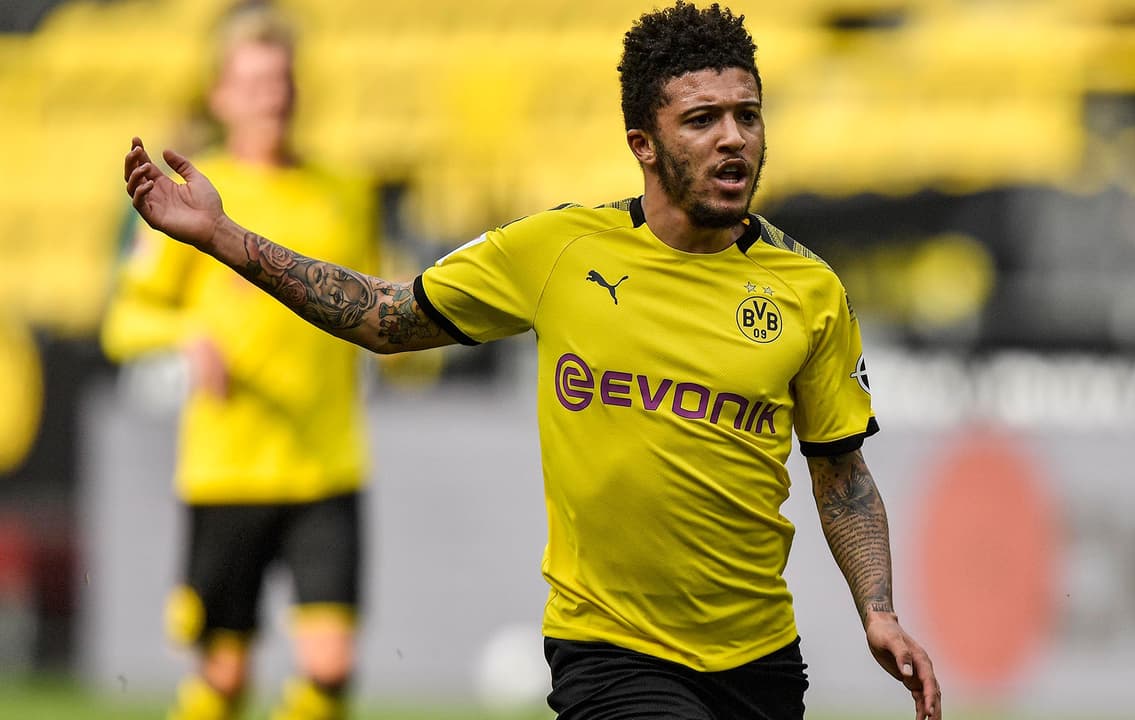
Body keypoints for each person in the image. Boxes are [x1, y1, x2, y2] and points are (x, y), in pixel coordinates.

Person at [122, 2, 941, 718]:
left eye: (747, 115)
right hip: (610, 651)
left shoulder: (809, 290)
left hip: (759, 660)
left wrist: (878, 611)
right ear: (643, 143)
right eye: (702, 120)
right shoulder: (557, 251)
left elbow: (842, 474)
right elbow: (384, 316)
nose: (733, 138)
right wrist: (224, 238)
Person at [102, 5, 378, 720]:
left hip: (326, 462)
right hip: (228, 469)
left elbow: (377, 301)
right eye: (254, 83)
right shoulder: (190, 199)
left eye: (281, 80)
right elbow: (124, 321)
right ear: (220, 96)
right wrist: (188, 334)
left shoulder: (345, 193)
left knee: (331, 664)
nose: (271, 97)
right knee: (224, 676)